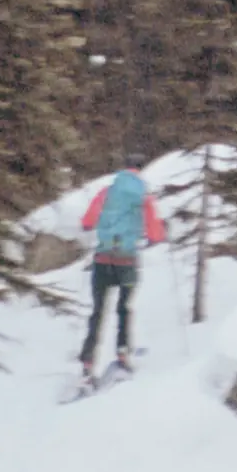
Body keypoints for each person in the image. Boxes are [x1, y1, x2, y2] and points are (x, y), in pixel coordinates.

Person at [77, 160, 164, 379]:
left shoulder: (107, 192)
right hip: (127, 262)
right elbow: (155, 232)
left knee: (98, 311)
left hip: (102, 259)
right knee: (124, 308)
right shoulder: (143, 197)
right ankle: (123, 353)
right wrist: (154, 238)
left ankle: (88, 361)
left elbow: (88, 221)